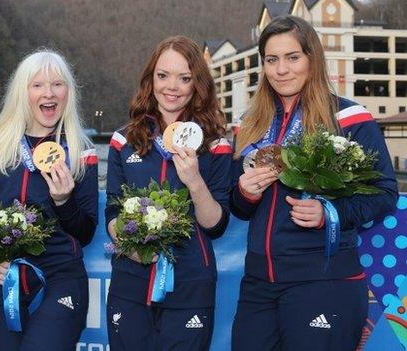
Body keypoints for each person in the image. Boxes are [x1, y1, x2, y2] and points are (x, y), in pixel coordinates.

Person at [230, 15, 398, 351]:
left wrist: (329, 213)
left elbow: (384, 193)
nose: (281, 70)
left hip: (323, 280)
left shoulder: (349, 118)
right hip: (259, 283)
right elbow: (236, 205)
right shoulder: (250, 124)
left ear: (312, 59)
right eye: (272, 60)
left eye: (293, 57)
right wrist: (245, 193)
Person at [105, 35, 233, 351]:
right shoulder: (124, 140)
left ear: (197, 84)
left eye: (184, 78)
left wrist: (195, 182)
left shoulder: (215, 143)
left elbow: (216, 225)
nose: (171, 87)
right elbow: (112, 212)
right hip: (130, 282)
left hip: (191, 285)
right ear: (151, 80)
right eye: (163, 76)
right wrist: (126, 242)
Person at [0, 49, 98, 351]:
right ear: (21, 92)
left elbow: (86, 232)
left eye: (57, 84)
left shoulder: (81, 152)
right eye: (37, 85)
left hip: (59, 279)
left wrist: (64, 201)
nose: (48, 93)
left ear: (69, 92)